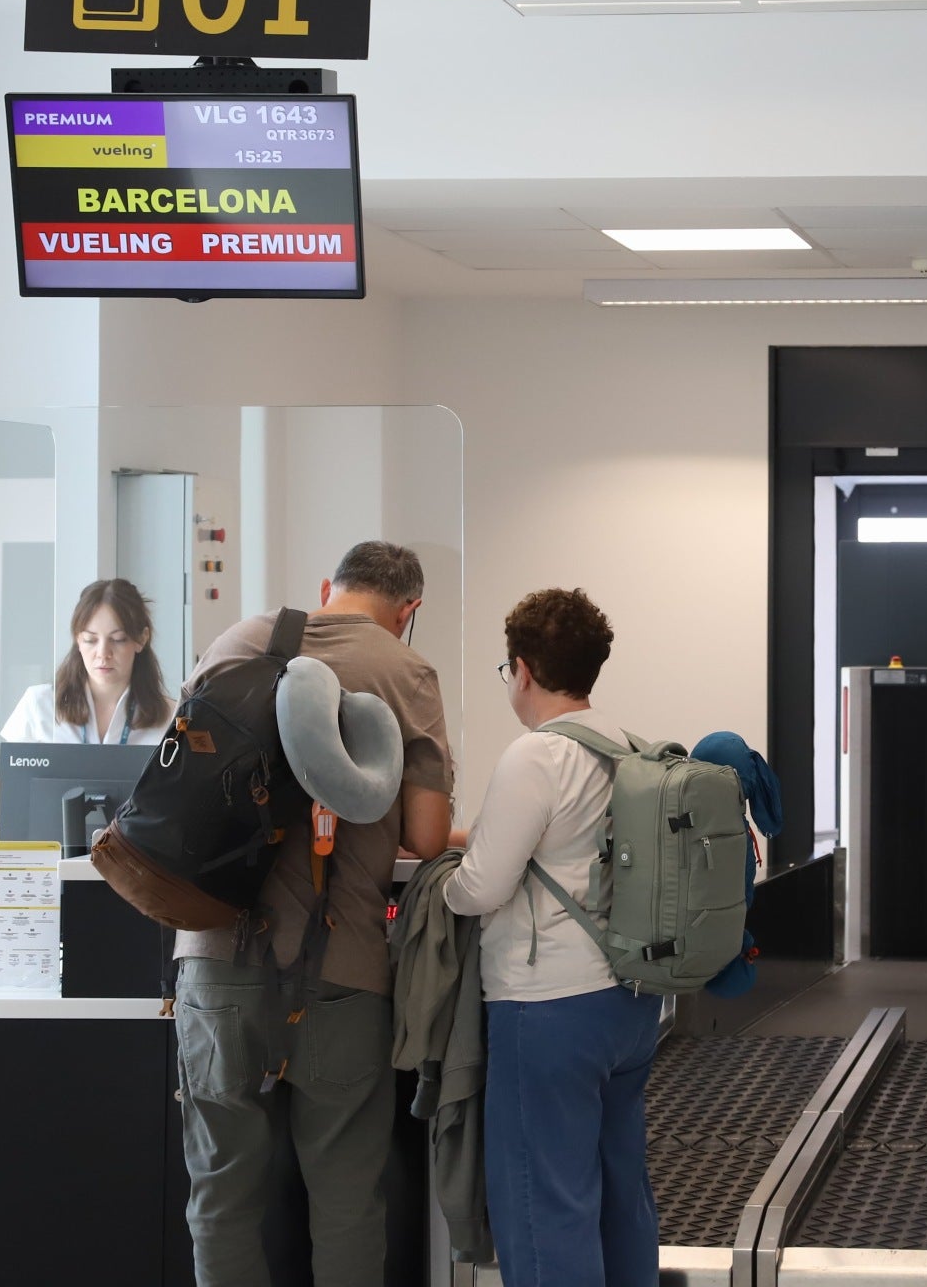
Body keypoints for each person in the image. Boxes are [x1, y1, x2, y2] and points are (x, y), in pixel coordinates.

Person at [170, 541, 454, 1287]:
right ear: (408, 612)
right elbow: (425, 837)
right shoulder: (403, 671)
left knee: (221, 1196)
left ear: (328, 587)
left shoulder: (234, 642)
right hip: (341, 967)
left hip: (214, 957)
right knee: (346, 1198)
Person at [443, 588, 659, 1287]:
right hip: (629, 1003)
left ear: (524, 669)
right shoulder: (630, 749)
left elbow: (482, 887)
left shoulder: (533, 757)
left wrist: (443, 882)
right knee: (620, 1198)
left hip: (548, 1010)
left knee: (545, 1208)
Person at [0, 577, 173, 745]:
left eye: (118, 639)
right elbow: (8, 775)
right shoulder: (40, 705)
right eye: (90, 640)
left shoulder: (171, 717)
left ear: (141, 639)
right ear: (78, 641)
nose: (103, 653)